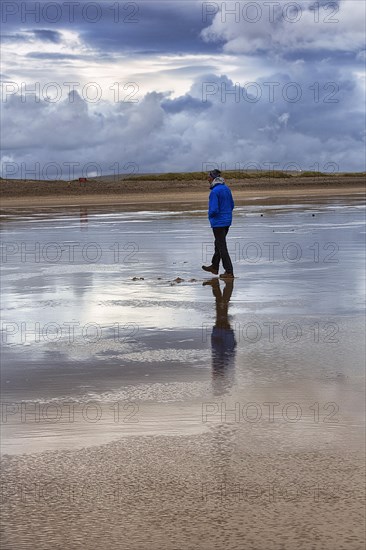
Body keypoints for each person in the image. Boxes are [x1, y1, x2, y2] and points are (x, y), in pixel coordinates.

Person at [202, 169, 235, 279]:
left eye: (209, 177)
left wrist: (210, 216)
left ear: (213, 178)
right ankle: (215, 267)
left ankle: (229, 271)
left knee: (222, 247)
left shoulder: (215, 192)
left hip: (218, 223)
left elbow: (214, 209)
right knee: (218, 244)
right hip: (226, 221)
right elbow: (232, 205)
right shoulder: (226, 189)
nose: (208, 179)